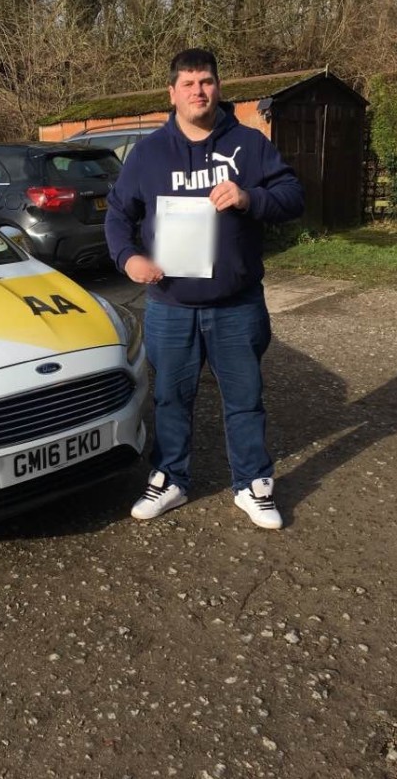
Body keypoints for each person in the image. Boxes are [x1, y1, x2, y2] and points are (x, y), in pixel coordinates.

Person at [105, 48, 305, 529]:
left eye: (208, 81)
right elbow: (117, 216)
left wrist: (249, 196)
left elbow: (292, 197)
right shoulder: (149, 154)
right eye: (189, 83)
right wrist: (128, 258)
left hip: (236, 304)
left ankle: (253, 484)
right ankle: (170, 477)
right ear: (171, 92)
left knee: (245, 397)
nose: (199, 91)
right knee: (171, 397)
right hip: (171, 305)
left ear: (218, 87)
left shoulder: (249, 145)